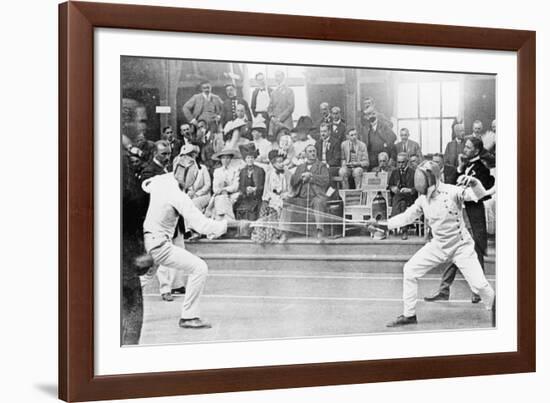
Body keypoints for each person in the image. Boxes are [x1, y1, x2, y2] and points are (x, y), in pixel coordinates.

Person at [370, 160, 495, 327]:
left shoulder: (452, 191)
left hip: (461, 246)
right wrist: (382, 225)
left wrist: (474, 183)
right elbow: (406, 217)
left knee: (479, 285)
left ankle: (496, 308)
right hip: (438, 245)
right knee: (410, 270)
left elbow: (479, 196)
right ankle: (409, 315)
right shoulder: (423, 200)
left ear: (432, 178)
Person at [142, 156, 245, 329]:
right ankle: (189, 317)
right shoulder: (178, 196)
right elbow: (203, 225)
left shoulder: (161, 180)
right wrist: (232, 224)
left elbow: (145, 185)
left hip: (147, 240)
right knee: (199, 267)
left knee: (143, 278)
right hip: (159, 245)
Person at [424, 137, 495, 304]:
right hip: (460, 213)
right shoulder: (466, 166)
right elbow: (452, 185)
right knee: (456, 250)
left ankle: (477, 291)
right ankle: (445, 290)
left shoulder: (482, 168)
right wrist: (460, 168)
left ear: (476, 151)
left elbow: (481, 192)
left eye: (469, 147)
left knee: (475, 251)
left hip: (473, 214)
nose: (465, 150)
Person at [279, 144, 330, 243]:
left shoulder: (321, 166)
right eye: (310, 151)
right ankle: (284, 233)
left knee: (318, 203)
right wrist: (301, 176)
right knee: (287, 202)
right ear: (305, 154)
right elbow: (293, 181)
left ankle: (320, 233)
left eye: (314, 151)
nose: (313, 153)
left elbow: (325, 180)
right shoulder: (300, 167)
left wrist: (311, 176)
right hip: (301, 198)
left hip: (316, 196)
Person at [252, 149, 293, 243]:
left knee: (284, 205)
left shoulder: (285, 173)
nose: (281, 164)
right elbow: (268, 190)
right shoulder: (270, 173)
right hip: (271, 197)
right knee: (270, 208)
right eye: (279, 162)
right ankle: (269, 234)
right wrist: (273, 197)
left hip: (282, 196)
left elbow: (289, 188)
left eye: (282, 161)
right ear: (273, 163)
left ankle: (282, 233)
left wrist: (285, 194)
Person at [234, 144, 266, 232]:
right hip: (246, 197)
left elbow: (263, 186)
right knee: (238, 207)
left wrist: (255, 189)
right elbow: (241, 186)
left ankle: (254, 231)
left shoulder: (260, 170)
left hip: (257, 197)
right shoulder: (243, 171)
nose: (250, 160)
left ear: (254, 158)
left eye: (251, 157)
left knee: (256, 209)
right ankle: (243, 232)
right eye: (248, 158)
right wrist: (246, 190)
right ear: (245, 159)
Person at [206, 147, 241, 221]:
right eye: (223, 158)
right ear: (220, 159)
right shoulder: (217, 171)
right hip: (220, 194)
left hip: (232, 194)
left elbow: (235, 186)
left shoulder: (235, 170)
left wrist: (225, 190)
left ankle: (224, 221)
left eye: (228, 158)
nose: (225, 160)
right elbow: (215, 188)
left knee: (224, 199)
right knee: (221, 198)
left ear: (231, 159)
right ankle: (226, 221)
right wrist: (221, 191)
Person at [388, 153, 417, 239]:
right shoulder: (394, 172)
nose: (400, 164)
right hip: (400, 200)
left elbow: (418, 187)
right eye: (399, 162)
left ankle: (392, 222)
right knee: (402, 204)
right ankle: (404, 231)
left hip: (410, 198)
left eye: (403, 162)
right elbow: (390, 185)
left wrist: (410, 190)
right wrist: (392, 188)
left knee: (398, 197)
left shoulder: (414, 172)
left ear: (407, 162)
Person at [267, 70, 295, 140]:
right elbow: (270, 107)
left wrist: (280, 118)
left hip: (285, 122)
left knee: (286, 142)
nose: (277, 78)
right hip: (274, 123)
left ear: (283, 77)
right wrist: (272, 117)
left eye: (278, 76)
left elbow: (291, 107)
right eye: (275, 76)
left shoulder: (289, 91)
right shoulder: (273, 93)